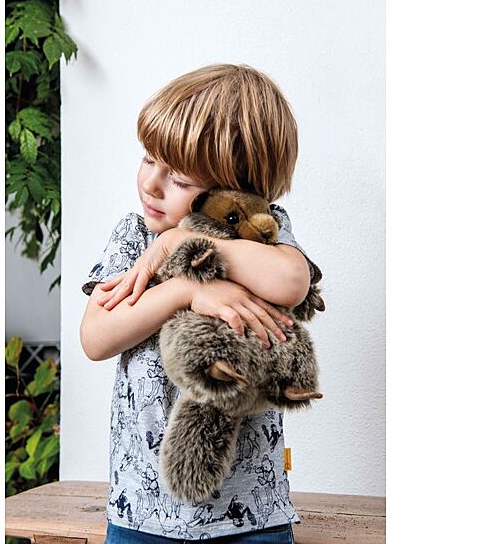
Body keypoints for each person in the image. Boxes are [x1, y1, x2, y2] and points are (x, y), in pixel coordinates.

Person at [80, 64, 320, 544]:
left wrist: (181, 242)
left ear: (238, 189)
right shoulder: (134, 237)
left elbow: (293, 281)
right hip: (140, 513)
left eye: (181, 179)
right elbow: (96, 337)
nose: (151, 184)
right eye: (149, 159)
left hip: (251, 517)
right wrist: (187, 290)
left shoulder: (262, 233)